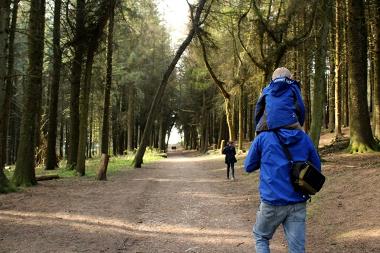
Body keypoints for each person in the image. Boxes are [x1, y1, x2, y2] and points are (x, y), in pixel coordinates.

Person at [244, 128, 321, 253]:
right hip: (298, 201)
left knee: (261, 236)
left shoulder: (263, 138)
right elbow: (317, 168)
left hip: (272, 202)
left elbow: (248, 166)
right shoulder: (303, 137)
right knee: (297, 249)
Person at [255, 67, 305, 133]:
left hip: (270, 124)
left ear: (273, 78)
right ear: (290, 77)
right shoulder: (293, 86)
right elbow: (301, 106)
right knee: (304, 138)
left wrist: (258, 124)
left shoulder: (267, 89)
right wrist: (300, 123)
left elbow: (258, 109)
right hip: (290, 123)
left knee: (258, 140)